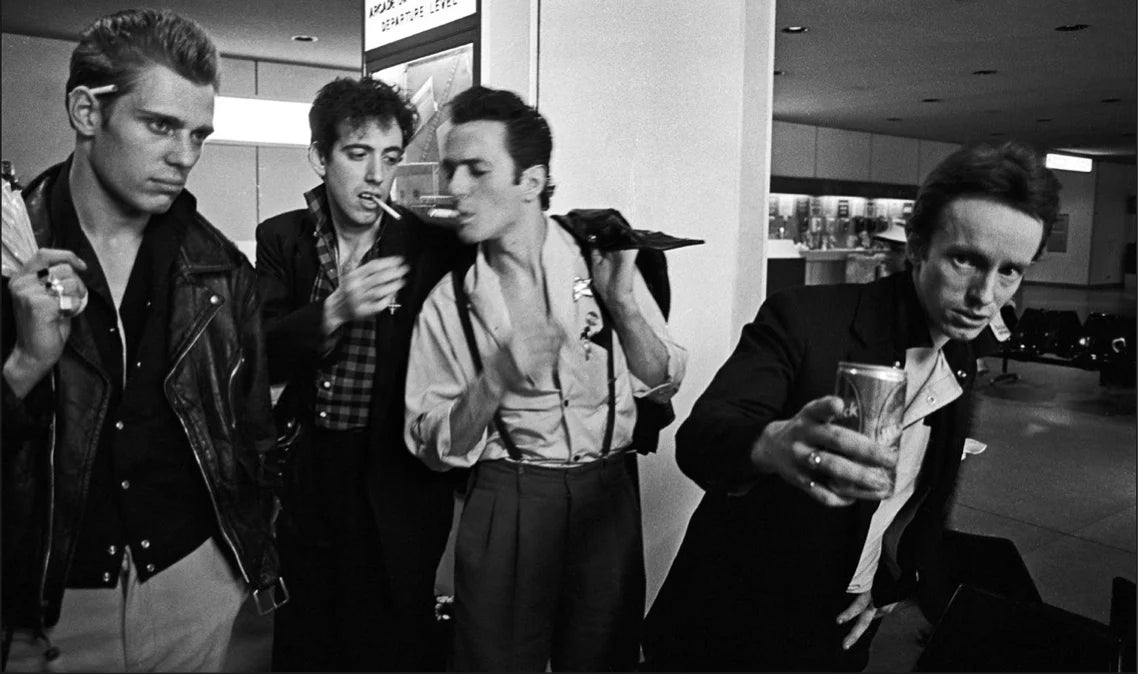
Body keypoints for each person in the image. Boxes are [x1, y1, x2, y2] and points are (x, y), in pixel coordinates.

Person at [643, 141, 1061, 671]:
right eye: (966, 260)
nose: (986, 295)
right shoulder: (805, 317)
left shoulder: (961, 353)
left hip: (835, 632)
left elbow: (926, 500)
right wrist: (771, 445)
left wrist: (890, 585)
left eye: (1010, 272)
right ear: (916, 244)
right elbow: (702, 439)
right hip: (730, 624)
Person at [1, 8, 283, 672]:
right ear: (85, 112)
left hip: (197, 586)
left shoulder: (221, 269)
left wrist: (237, 567)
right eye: (160, 125)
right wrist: (22, 366)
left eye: (198, 134)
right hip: (50, 601)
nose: (184, 155)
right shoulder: (10, 256)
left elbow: (252, 433)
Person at [404, 85, 688, 671]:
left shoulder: (601, 258)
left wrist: (625, 306)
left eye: (476, 170)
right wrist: (497, 377)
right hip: (508, 495)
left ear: (531, 182)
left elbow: (661, 381)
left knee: (603, 657)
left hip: (608, 493)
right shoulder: (449, 302)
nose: (455, 188)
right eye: (450, 169)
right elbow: (434, 447)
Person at [255, 76, 467, 671]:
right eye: (357, 154)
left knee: (394, 638)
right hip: (308, 475)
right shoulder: (282, 239)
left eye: (391, 157)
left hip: (395, 479)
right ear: (321, 157)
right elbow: (261, 351)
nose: (376, 175)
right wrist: (334, 311)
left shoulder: (425, 245)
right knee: (306, 637)